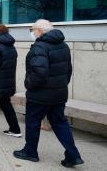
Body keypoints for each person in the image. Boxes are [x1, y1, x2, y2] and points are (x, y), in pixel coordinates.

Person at [13, 19, 84, 168]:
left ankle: (30, 152)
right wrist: (60, 86)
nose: (31, 33)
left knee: (32, 122)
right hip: (59, 94)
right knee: (60, 123)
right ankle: (73, 155)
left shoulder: (39, 47)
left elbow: (40, 72)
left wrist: (29, 85)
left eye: (32, 29)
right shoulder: (63, 46)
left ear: (39, 31)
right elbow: (68, 71)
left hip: (40, 95)